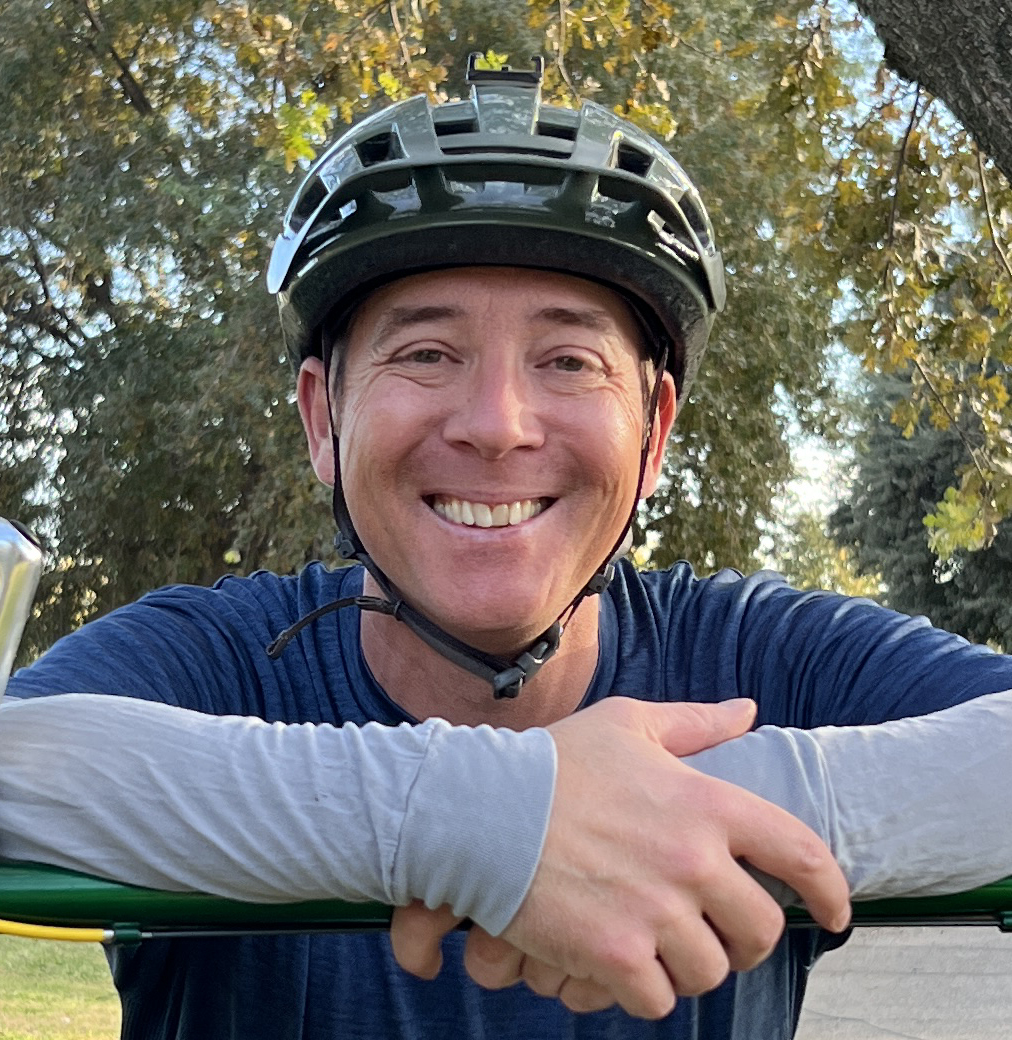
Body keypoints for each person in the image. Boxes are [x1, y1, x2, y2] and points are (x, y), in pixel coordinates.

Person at [2, 54, 1012, 1040]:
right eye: (426, 352)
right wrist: (487, 819)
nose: (497, 423)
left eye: (567, 358)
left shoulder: (767, 655)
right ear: (322, 418)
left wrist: (669, 814)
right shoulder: (214, 658)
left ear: (654, 431)